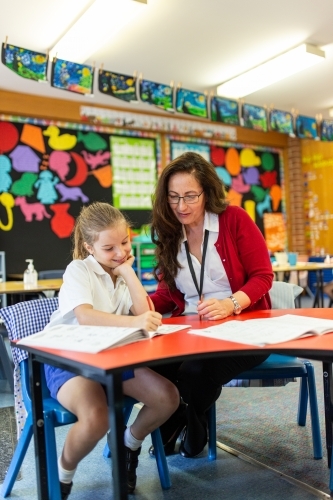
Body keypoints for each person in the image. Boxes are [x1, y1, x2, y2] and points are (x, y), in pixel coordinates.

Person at [44, 202, 179, 499]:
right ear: (90, 247)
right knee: (96, 418)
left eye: (125, 242)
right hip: (68, 359)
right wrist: (135, 321)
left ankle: (128, 443)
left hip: (111, 357)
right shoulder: (79, 270)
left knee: (166, 397)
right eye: (109, 248)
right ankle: (63, 475)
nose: (119, 252)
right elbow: (86, 317)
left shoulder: (119, 270)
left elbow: (148, 317)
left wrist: (129, 274)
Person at [148, 152, 274, 458]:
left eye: (190, 196)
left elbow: (263, 276)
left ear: (207, 192)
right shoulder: (170, 232)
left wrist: (231, 304)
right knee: (151, 365)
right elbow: (167, 295)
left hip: (245, 330)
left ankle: (176, 425)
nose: (181, 206)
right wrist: (132, 305)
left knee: (195, 370)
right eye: (174, 197)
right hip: (189, 332)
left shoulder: (233, 220)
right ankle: (189, 425)